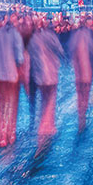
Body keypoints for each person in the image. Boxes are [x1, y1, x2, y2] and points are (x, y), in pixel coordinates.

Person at [28, 18, 64, 149]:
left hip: (39, 75)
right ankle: (48, 127)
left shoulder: (32, 39)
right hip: (51, 73)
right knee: (50, 101)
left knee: (44, 100)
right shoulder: (51, 37)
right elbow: (60, 51)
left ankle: (42, 126)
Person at [0, 15, 25, 148]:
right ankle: (11, 135)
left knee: (2, 106)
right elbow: (19, 56)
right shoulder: (15, 35)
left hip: (0, 76)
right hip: (12, 75)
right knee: (12, 105)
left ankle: (1, 137)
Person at [68, 15, 93, 132]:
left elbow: (71, 52)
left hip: (78, 73)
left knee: (80, 96)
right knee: (85, 96)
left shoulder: (75, 36)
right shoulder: (91, 36)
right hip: (87, 72)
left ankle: (81, 118)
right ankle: (83, 119)